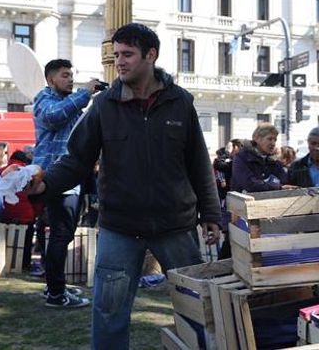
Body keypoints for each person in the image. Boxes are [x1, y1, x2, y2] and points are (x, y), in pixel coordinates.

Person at [29, 23, 221, 348]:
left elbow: (199, 163)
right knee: (108, 314)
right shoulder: (104, 105)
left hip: (176, 225)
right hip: (119, 227)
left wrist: (211, 213)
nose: (119, 61)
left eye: (128, 54)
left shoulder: (181, 102)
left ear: (151, 55)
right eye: (117, 54)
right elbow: (76, 159)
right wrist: (44, 184)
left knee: (197, 309)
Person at [32, 58, 103, 309]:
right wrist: (85, 94)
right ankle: (55, 294)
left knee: (61, 235)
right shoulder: (44, 98)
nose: (70, 79)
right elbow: (52, 118)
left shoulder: (70, 104)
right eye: (65, 75)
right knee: (61, 235)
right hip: (54, 177)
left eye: (71, 75)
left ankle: (55, 287)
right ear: (51, 79)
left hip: (69, 179)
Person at [230, 123, 296, 192]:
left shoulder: (274, 161)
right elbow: (250, 184)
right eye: (270, 139)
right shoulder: (241, 158)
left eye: (275, 140)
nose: (273, 143)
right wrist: (276, 187)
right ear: (257, 138)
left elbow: (284, 182)